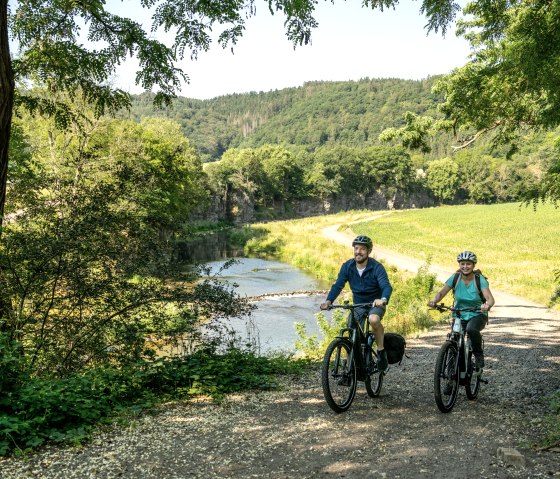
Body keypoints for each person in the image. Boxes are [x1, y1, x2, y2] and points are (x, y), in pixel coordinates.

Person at [320, 235, 393, 372]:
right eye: (356, 248)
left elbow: (386, 286)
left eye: (362, 249)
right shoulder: (347, 266)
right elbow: (338, 285)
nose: (358, 252)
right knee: (351, 329)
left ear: (369, 251)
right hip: (358, 304)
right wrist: (328, 301)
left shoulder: (376, 267)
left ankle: (381, 351)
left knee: (373, 319)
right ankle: (350, 365)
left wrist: (383, 299)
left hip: (374, 304)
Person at [427, 250, 495, 369]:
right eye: (462, 264)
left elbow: (490, 299)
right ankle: (452, 369)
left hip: (477, 314)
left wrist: (487, 305)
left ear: (474, 265)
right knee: (454, 337)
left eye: (468, 264)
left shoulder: (479, 279)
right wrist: (434, 301)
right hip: (458, 314)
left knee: (471, 329)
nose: (465, 266)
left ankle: (478, 354)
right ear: (459, 265)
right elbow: (442, 292)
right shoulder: (455, 277)